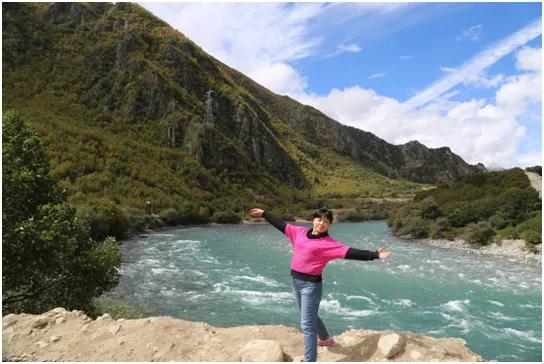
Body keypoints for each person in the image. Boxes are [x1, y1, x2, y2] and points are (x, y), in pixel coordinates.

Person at [249, 207, 391, 362]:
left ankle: (310, 360)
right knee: (308, 314)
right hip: (296, 281)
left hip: (311, 286)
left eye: (326, 222)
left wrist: (374, 255)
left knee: (307, 326)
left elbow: (350, 252)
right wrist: (265, 214)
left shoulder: (328, 243)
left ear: (329, 225)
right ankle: (325, 339)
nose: (321, 223)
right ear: (313, 219)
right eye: (319, 219)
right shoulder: (299, 233)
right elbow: (281, 225)